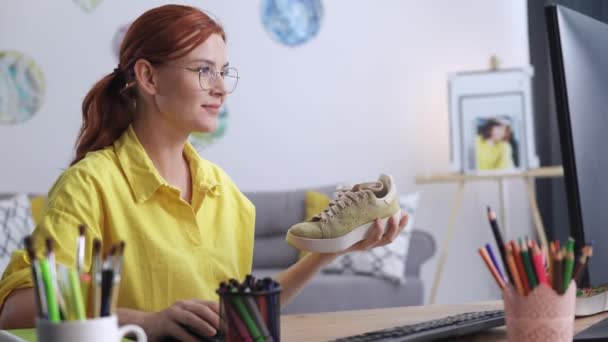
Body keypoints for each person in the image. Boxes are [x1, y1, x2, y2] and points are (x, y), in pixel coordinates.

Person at [0, 5, 408, 341]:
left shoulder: (225, 193)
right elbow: (14, 308)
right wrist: (146, 322)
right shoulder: (89, 185)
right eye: (203, 70)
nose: (221, 88)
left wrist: (325, 255)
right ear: (148, 77)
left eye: (223, 71)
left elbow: (237, 315)